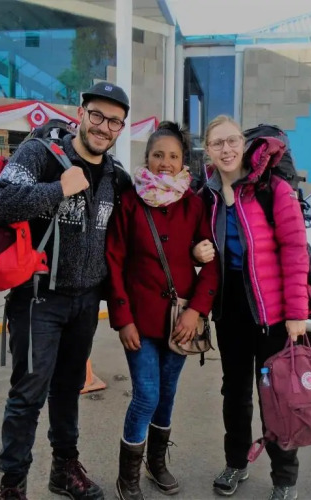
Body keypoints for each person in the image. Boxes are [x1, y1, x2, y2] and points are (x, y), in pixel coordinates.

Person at [0, 81, 132, 500]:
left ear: (121, 128)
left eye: (114, 121)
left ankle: (64, 469)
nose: (104, 127)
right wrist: (58, 188)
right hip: (38, 298)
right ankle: (12, 485)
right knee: (28, 395)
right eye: (97, 115)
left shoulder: (116, 176)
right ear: (81, 114)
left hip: (86, 301)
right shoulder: (40, 153)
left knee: (68, 389)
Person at [192, 115, 309, 500]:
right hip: (230, 310)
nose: (225, 149)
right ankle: (236, 463)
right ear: (208, 151)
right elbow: (194, 241)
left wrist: (297, 313)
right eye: (217, 143)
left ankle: (284, 480)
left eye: (232, 141)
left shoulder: (272, 189)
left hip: (273, 314)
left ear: (243, 145)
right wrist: (195, 252)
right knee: (235, 393)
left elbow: (295, 250)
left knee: (277, 399)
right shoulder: (207, 196)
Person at [105, 122, 220, 500]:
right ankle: (127, 478)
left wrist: (197, 311)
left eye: (173, 156)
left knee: (167, 395)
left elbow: (212, 264)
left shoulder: (194, 204)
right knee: (146, 396)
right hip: (138, 323)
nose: (165, 162)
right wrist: (122, 318)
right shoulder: (129, 202)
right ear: (147, 158)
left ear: (183, 160)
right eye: (158, 155)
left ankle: (156, 463)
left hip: (180, 323)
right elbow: (114, 262)